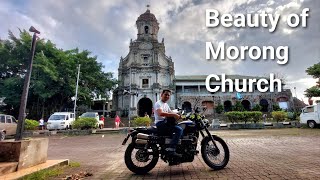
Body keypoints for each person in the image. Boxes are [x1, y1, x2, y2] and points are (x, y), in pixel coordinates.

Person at [154, 89, 183, 157]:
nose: (167, 96)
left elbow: (170, 112)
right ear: (161, 95)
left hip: (165, 123)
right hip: (160, 123)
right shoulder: (158, 103)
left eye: (168, 95)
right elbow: (161, 113)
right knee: (179, 130)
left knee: (179, 126)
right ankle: (172, 149)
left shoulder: (166, 104)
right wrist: (174, 115)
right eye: (165, 94)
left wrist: (179, 116)